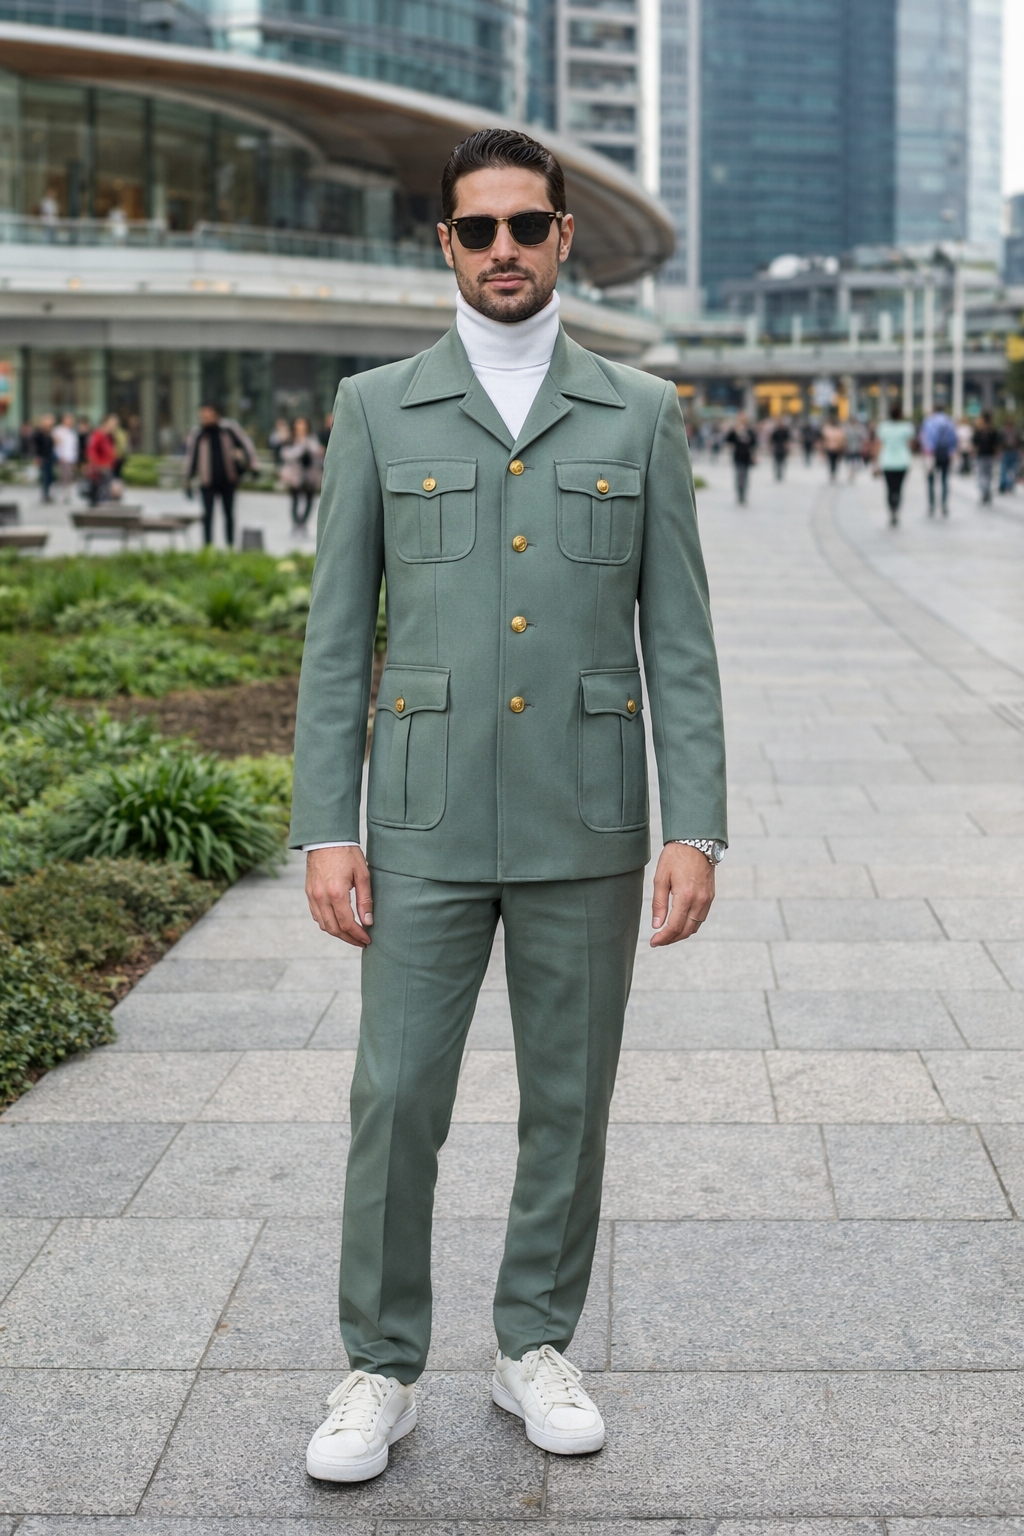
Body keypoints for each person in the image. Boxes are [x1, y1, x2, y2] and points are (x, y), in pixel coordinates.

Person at [291, 127, 726, 1484]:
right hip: (419, 822)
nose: (501, 252)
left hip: (587, 822)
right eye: (475, 231)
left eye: (524, 228)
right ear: (444, 245)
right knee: (396, 1097)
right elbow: (334, 637)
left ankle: (534, 1342)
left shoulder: (640, 414)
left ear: (560, 239)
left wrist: (695, 825)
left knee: (570, 1102)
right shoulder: (377, 408)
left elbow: (684, 643)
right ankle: (378, 1365)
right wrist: (326, 825)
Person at [184, 404, 258, 547]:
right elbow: (192, 458)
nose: (205, 418)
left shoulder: (228, 429)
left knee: (229, 515)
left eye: (208, 414)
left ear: (216, 414)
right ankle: (208, 547)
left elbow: (246, 447)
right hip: (207, 482)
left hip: (228, 480)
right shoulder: (199, 434)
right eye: (203, 416)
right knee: (207, 516)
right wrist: (188, 481)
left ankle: (230, 545)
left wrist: (252, 467)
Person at [280, 416, 324, 531]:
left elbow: (317, 451)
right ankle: (295, 523)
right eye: (298, 425)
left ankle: (303, 523)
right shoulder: (290, 438)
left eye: (303, 425)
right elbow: (286, 454)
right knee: (294, 498)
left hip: (309, 473)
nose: (300, 427)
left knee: (309, 498)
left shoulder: (311, 438)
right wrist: (300, 448)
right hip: (294, 473)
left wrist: (306, 443)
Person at [876, 401, 916, 527]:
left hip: (887, 461)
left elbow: (878, 445)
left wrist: (875, 462)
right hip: (902, 461)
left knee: (889, 488)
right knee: (899, 489)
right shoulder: (907, 427)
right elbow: (911, 444)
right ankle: (896, 509)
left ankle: (891, 510)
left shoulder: (883, 427)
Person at [918, 405, 958, 517]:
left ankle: (931, 506)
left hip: (931, 454)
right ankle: (944, 504)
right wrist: (951, 451)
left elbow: (923, 438)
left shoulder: (928, 421)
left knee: (931, 480)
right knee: (944, 479)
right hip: (945, 453)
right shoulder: (949, 421)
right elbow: (954, 439)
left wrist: (925, 452)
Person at [85, 415, 118, 506]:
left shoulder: (109, 435)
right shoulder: (99, 434)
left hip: (107, 466)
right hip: (101, 468)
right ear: (106, 423)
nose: (115, 425)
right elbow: (91, 450)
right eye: (113, 423)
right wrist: (97, 464)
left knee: (106, 491)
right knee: (101, 492)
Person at [725, 413, 757, 503]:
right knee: (739, 474)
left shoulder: (749, 431)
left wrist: (754, 455)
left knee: (745, 476)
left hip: (747, 456)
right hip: (737, 456)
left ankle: (743, 494)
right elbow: (728, 440)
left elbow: (754, 443)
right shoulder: (734, 430)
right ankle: (739, 493)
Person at [972, 411, 1000, 505]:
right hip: (990, 455)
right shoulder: (993, 430)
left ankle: (985, 492)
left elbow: (975, 444)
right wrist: (997, 455)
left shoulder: (979, 430)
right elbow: (997, 445)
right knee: (988, 476)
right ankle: (986, 492)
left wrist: (973, 453)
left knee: (981, 475)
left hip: (982, 455)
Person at [52, 412, 79, 499]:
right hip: (63, 458)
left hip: (71, 458)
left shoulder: (72, 432)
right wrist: (59, 456)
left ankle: (67, 493)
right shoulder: (58, 431)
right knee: (63, 476)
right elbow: (56, 445)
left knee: (69, 476)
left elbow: (74, 447)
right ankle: (61, 493)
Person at [31, 413, 56, 503]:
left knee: (50, 477)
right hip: (42, 457)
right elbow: (34, 445)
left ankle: (48, 494)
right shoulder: (38, 432)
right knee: (45, 477)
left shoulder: (49, 432)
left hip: (50, 457)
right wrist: (37, 457)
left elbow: (51, 445)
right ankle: (45, 495)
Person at [820, 415, 846, 481]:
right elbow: (824, 438)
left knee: (835, 461)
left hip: (837, 448)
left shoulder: (839, 429)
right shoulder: (827, 429)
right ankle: (832, 473)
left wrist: (842, 446)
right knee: (831, 461)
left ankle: (834, 472)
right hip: (830, 448)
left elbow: (842, 439)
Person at [999, 421, 1020, 495]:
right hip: (1012, 452)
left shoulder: (1003, 432)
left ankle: (1005, 485)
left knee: (1005, 470)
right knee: (1011, 471)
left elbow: (1000, 443)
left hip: (1008, 452)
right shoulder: (1016, 432)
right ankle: (1008, 485)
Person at [769, 416, 791, 480]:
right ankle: (778, 472)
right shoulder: (775, 432)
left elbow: (788, 440)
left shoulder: (785, 431)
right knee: (778, 461)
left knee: (782, 461)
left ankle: (780, 472)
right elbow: (772, 440)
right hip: (777, 447)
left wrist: (788, 447)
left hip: (782, 447)